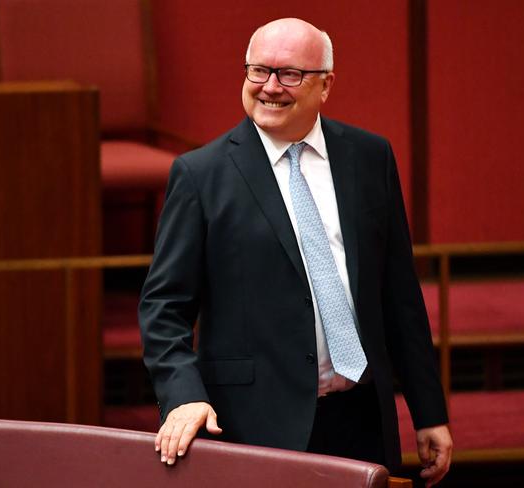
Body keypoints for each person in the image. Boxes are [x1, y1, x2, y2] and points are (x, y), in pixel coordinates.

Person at [139, 17, 452, 487]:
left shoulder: (370, 158)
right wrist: (182, 395)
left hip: (362, 415)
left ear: (325, 85)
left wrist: (428, 411)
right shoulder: (201, 175)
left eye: (289, 74)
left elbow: (399, 296)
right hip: (256, 424)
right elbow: (163, 308)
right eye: (257, 71)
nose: (269, 87)